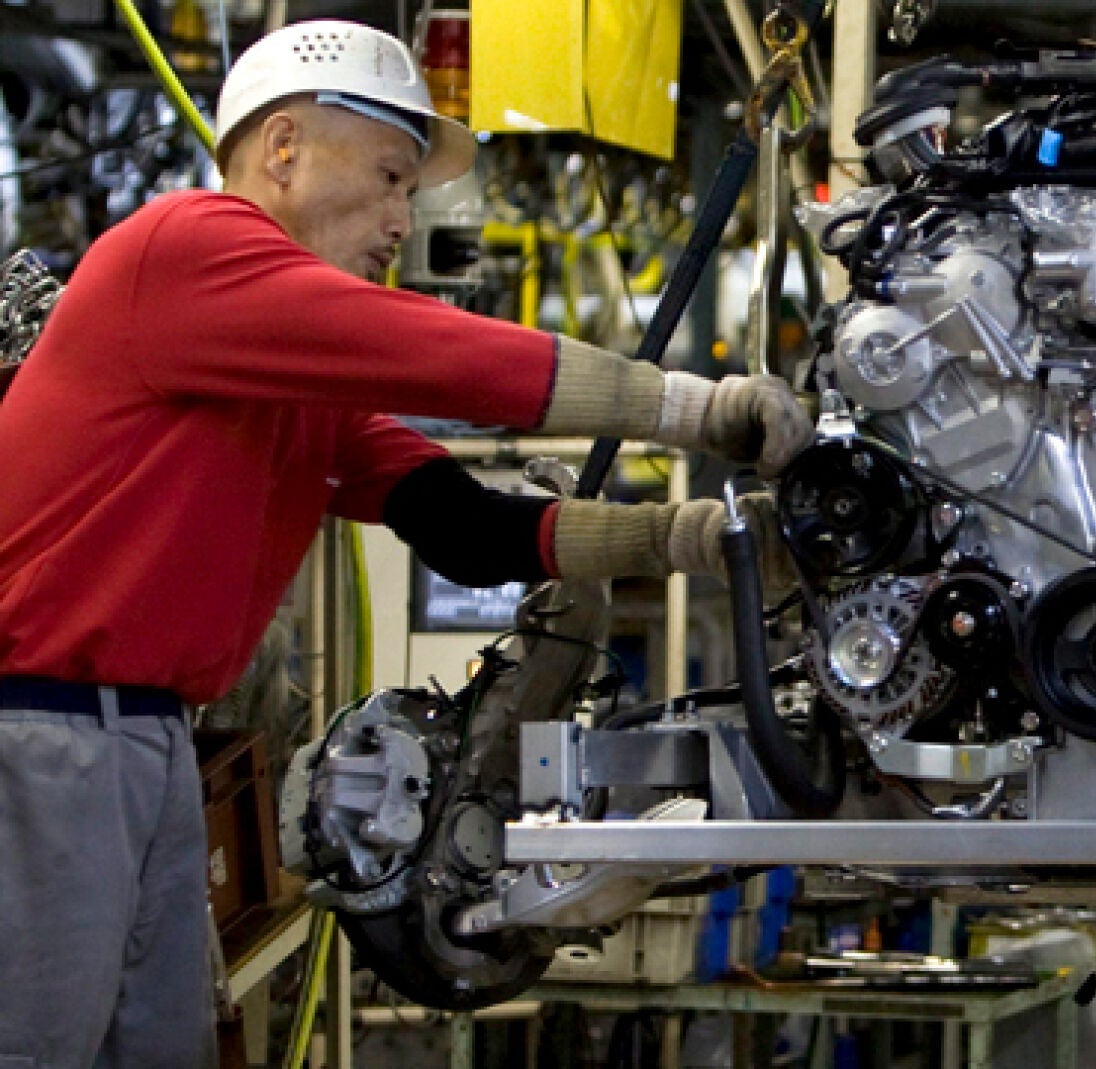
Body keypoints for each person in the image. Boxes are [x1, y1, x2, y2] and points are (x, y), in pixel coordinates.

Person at [0, 20, 809, 1068]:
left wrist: (697, 537)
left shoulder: (284, 379)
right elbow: (433, 355)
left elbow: (458, 523)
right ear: (283, 147)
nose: (401, 220)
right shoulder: (184, 249)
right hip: (45, 731)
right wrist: (695, 409)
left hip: (142, 741)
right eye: (389, 178)